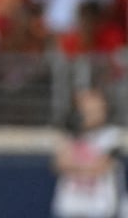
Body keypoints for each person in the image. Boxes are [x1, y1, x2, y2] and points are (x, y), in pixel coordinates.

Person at [50, 87, 128, 218]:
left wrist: (75, 166)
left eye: (95, 110)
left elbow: (100, 167)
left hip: (101, 208)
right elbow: (60, 164)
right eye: (86, 109)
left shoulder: (112, 135)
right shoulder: (70, 135)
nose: (90, 114)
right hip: (71, 206)